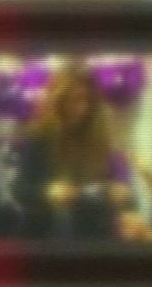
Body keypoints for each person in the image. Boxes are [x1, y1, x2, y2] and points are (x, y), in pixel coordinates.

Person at [12, 61, 135, 240]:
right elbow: (19, 188)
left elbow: (121, 182)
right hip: (48, 234)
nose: (81, 108)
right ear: (59, 100)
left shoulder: (101, 138)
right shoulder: (40, 137)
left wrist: (122, 193)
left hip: (95, 233)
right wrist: (46, 192)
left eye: (86, 99)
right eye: (72, 100)